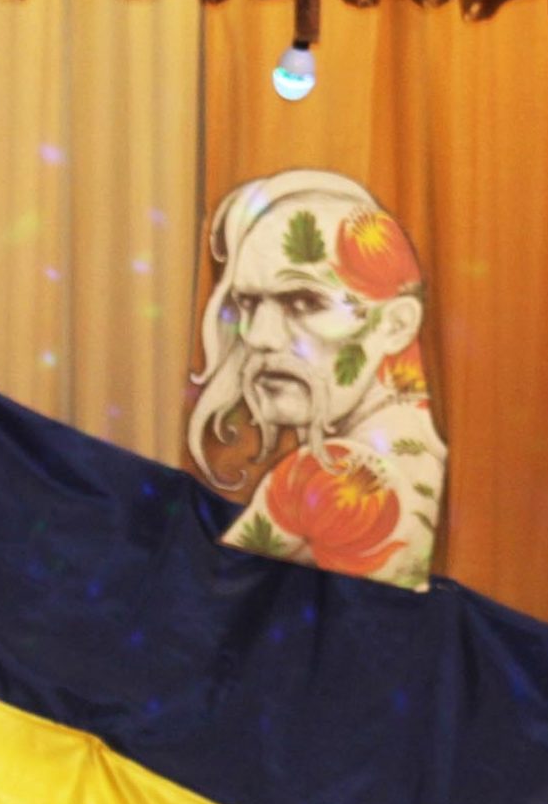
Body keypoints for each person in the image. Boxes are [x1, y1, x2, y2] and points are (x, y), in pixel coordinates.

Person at [187, 170, 446, 590]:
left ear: (397, 325)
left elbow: (196, 613)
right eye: (248, 303)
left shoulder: (338, 477)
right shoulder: (426, 459)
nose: (259, 337)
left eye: (305, 302)